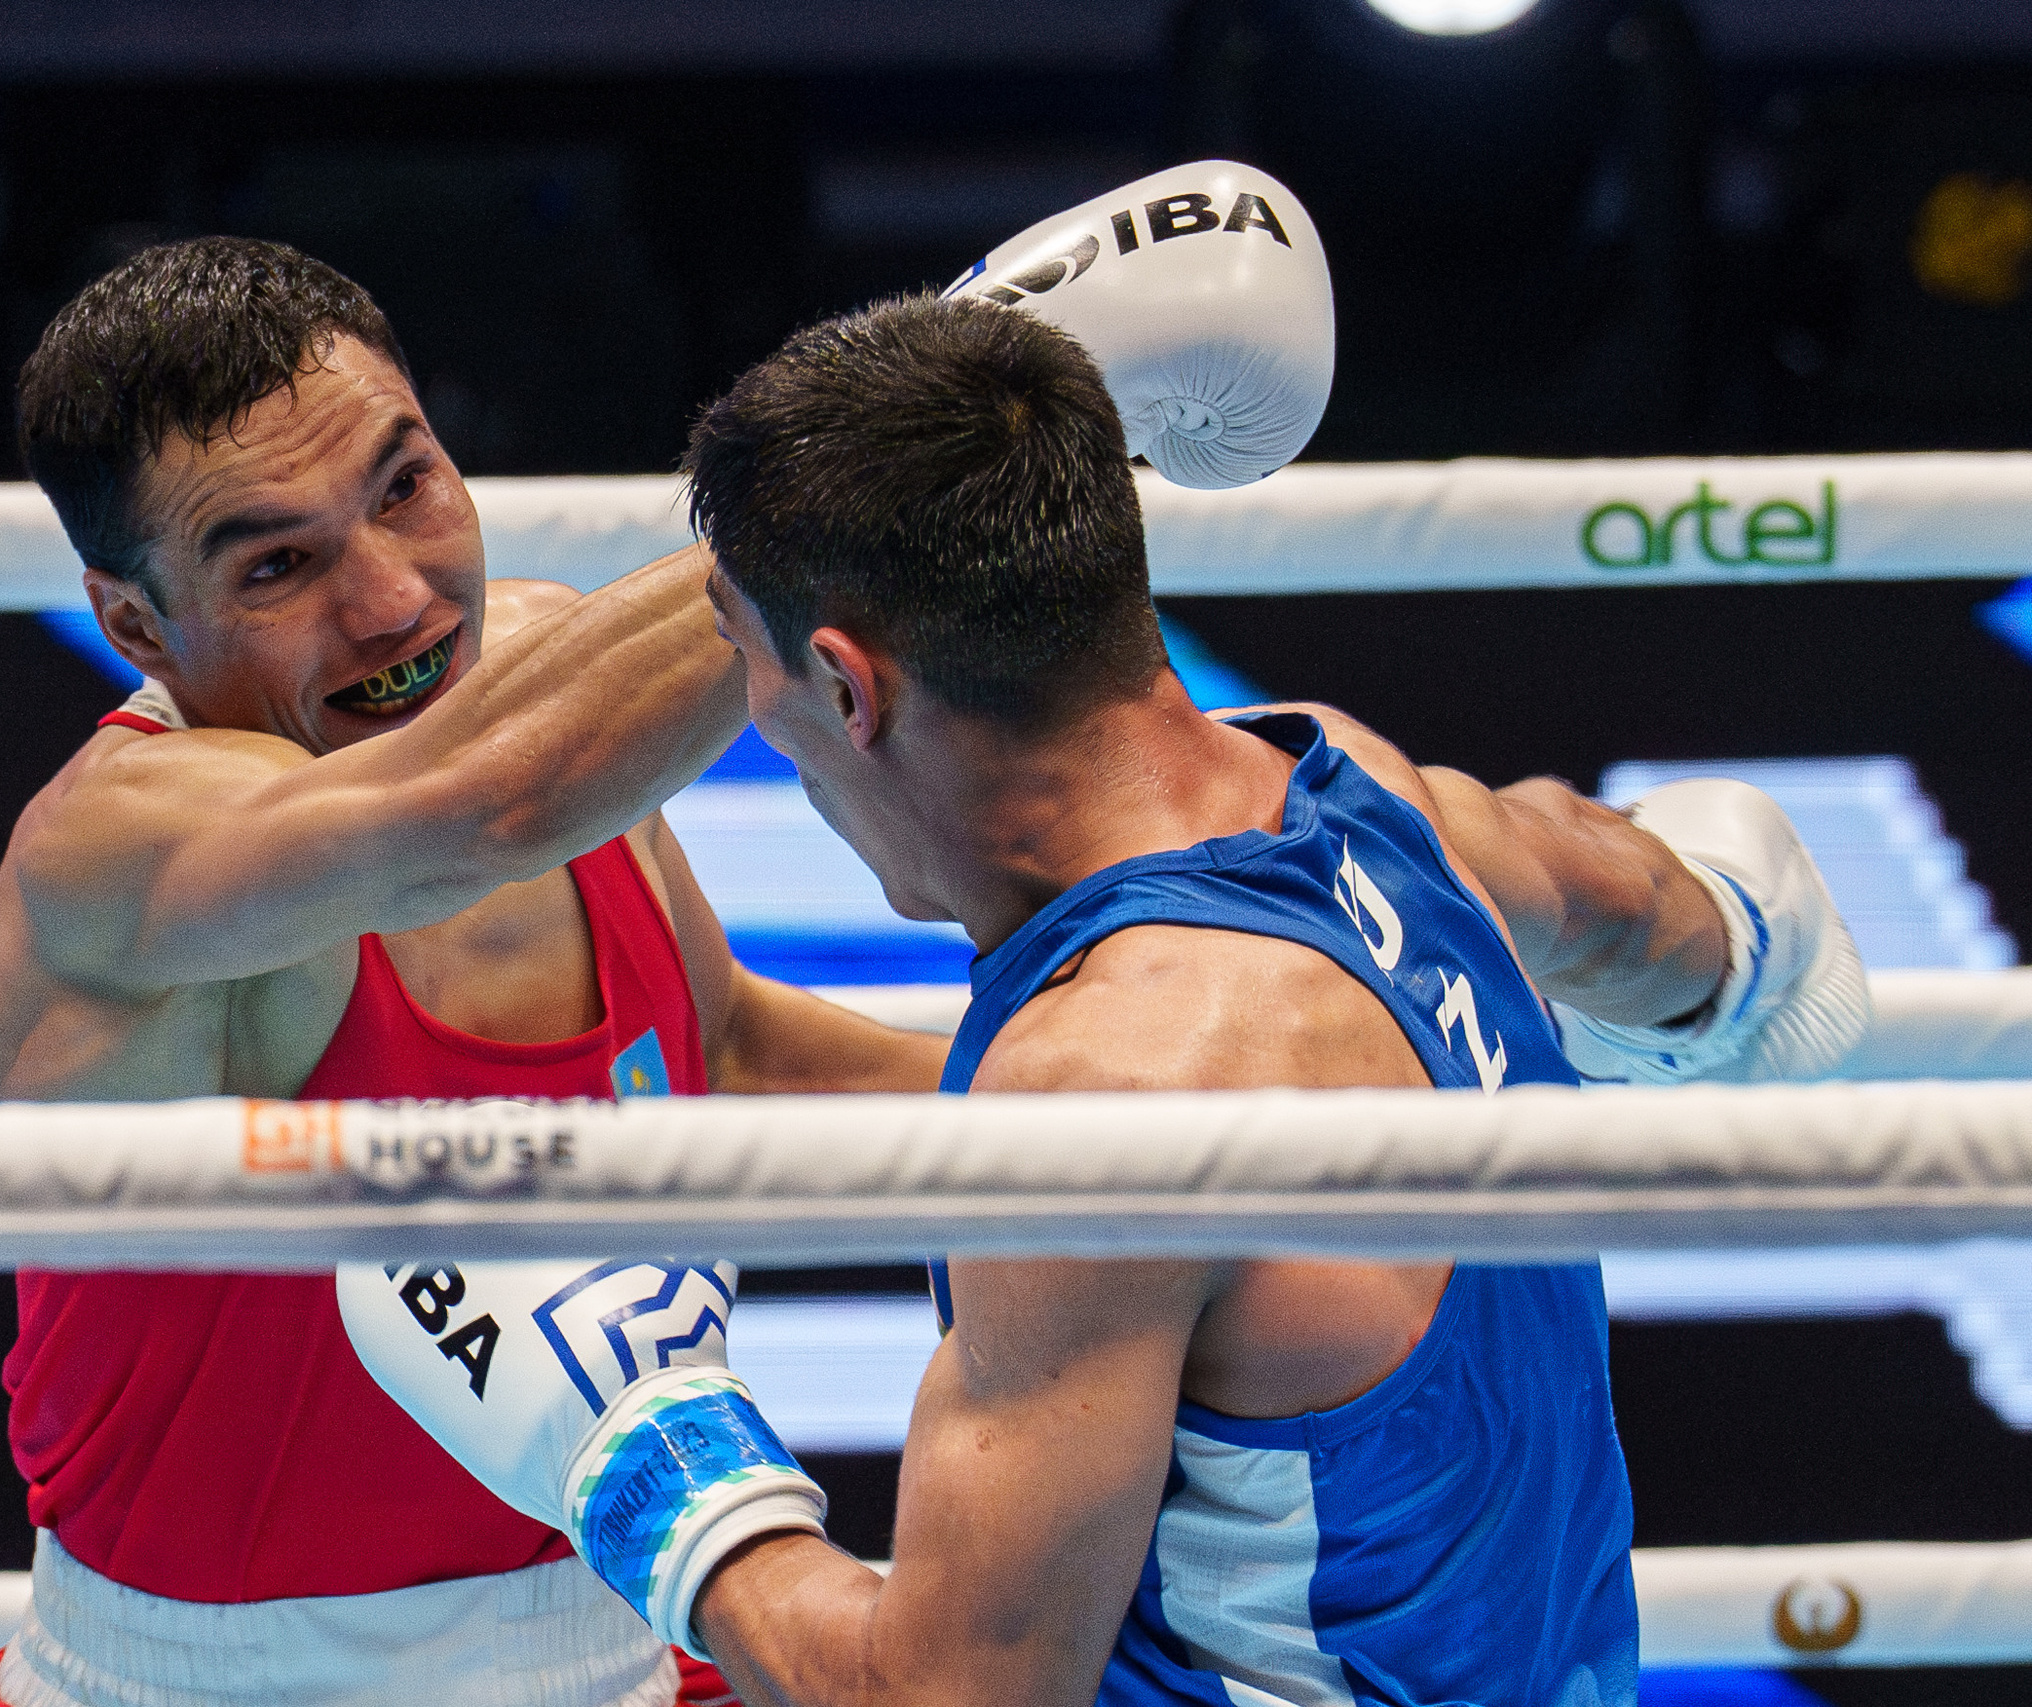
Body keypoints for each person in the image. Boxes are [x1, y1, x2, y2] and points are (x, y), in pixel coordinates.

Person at [341, 293, 1870, 1707]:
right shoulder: (1363, 799)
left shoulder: (1109, 1097)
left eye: (745, 670)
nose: (756, 723)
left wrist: (651, 1462)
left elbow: (946, 1697)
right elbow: (1631, 892)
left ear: (846, 685)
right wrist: (1730, 952)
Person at [0, 238, 951, 1707]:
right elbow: (481, 806)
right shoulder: (112, 852)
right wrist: (966, 392)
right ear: (135, 625)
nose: (393, 601)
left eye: (405, 485)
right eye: (279, 563)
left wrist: (1157, 1122)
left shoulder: (556, 692)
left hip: (621, 1651)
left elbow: (716, 1055)